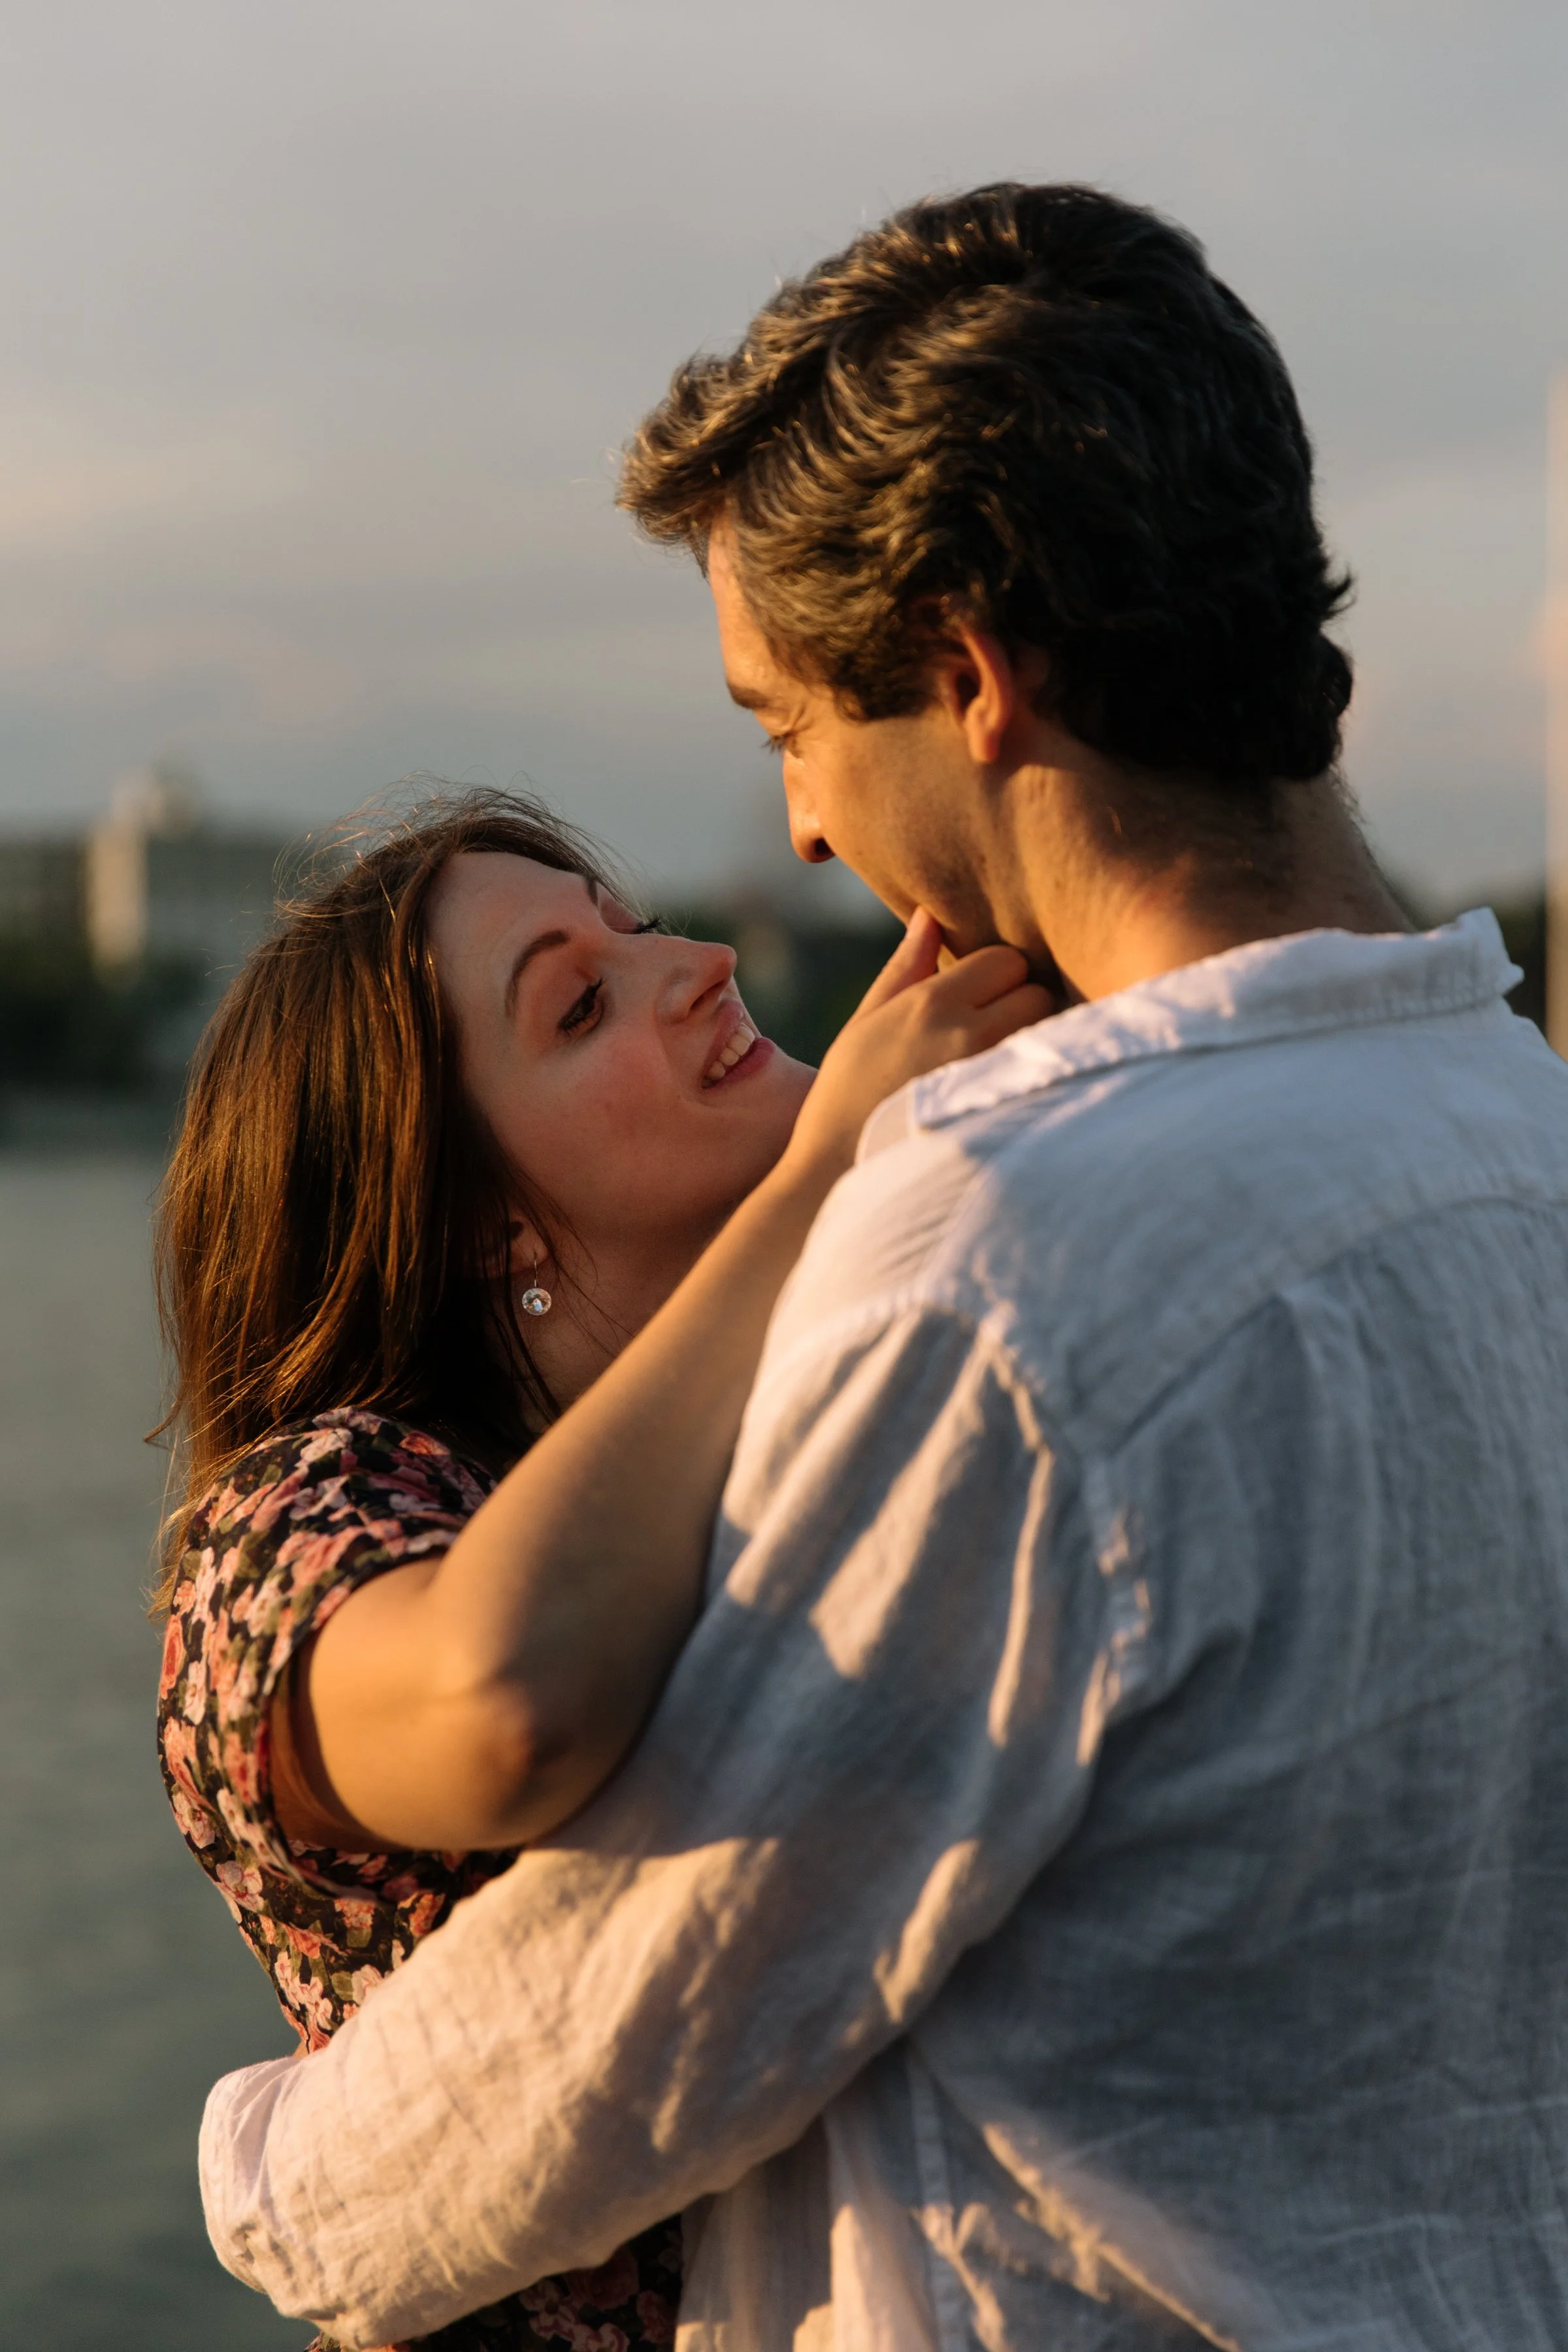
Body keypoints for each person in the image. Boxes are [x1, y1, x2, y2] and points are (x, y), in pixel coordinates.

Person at [201, 184, 1568, 2350]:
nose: (810, 836)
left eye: (786, 727)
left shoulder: (1018, 1251)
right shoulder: (1532, 1144)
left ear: (969, 675)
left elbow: (625, 2030)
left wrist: (265, 2181)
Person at [154, 787, 1044, 2352]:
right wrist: (818, 1177)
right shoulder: (303, 1522)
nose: (693, 964)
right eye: (580, 1002)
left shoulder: (807, 1407)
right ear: (482, 1219)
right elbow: (506, 1699)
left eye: (631, 930)